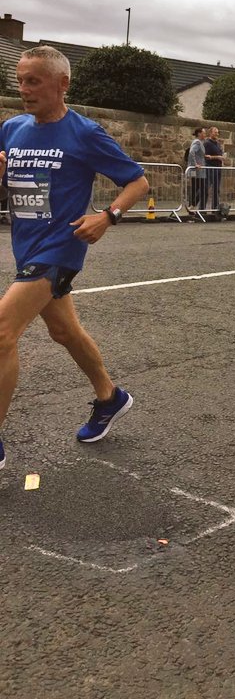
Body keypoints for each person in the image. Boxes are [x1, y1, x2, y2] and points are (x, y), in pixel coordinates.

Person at [0, 46, 149, 470]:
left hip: (60, 249)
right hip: (25, 248)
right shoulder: (10, 130)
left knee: (2, 332)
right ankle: (110, 397)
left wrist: (108, 216)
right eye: (21, 80)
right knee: (64, 332)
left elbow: (138, 182)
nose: (24, 89)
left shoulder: (84, 133)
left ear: (62, 84)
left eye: (34, 81)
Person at [204, 126, 224, 213]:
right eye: (215, 132)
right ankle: (201, 208)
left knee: (216, 189)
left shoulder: (217, 143)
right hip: (210, 168)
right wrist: (217, 157)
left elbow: (220, 154)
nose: (217, 134)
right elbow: (206, 156)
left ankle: (215, 208)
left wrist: (222, 158)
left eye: (217, 132)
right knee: (206, 188)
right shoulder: (207, 143)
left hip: (218, 169)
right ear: (210, 133)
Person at [187, 128, 207, 211]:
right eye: (204, 133)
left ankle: (191, 206)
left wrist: (205, 156)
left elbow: (198, 154)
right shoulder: (198, 142)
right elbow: (192, 152)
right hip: (197, 170)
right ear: (199, 134)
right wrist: (195, 164)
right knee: (203, 189)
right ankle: (192, 205)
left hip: (194, 170)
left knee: (195, 188)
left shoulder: (197, 142)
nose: (205, 135)